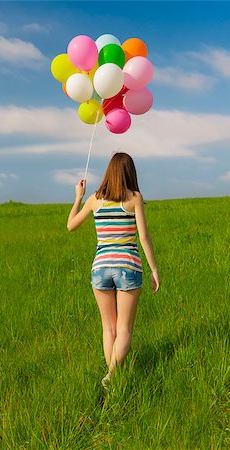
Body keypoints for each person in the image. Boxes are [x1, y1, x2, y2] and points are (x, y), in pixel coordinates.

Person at [67, 152, 160, 390]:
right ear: (130, 172)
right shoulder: (134, 198)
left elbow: (70, 226)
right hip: (128, 266)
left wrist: (78, 197)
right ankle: (111, 376)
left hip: (100, 268)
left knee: (108, 327)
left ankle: (112, 379)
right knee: (124, 329)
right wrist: (154, 269)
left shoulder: (95, 200)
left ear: (109, 171)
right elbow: (144, 236)